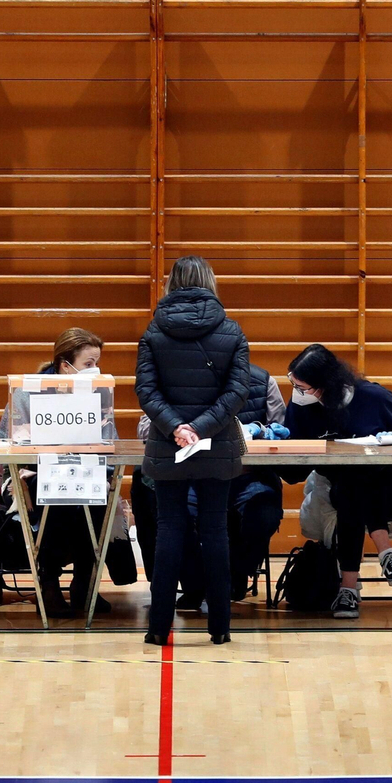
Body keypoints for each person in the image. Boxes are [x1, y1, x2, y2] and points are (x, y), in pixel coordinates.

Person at [135, 256, 253, 645]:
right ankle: (219, 628)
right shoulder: (232, 332)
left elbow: (146, 392)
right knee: (216, 532)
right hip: (216, 445)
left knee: (168, 531)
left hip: (167, 446)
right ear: (210, 282)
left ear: (171, 284)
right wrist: (200, 429)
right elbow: (237, 393)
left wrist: (176, 428)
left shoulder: (154, 332)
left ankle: (157, 629)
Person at [0, 327, 125, 617]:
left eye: (97, 363)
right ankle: (49, 581)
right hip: (33, 476)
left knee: (94, 495)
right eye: (88, 364)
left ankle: (84, 582)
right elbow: (12, 445)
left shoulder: (101, 393)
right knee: (58, 494)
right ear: (65, 365)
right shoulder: (28, 392)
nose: (95, 370)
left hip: (83, 473)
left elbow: (109, 442)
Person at [284, 343, 392, 619]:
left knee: (355, 487)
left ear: (325, 384)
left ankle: (348, 591)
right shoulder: (302, 407)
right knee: (352, 486)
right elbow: (294, 465)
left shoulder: (372, 396)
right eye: (295, 385)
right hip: (348, 488)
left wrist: (383, 442)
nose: (298, 393)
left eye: (303, 387)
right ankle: (386, 555)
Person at [132, 367, 284, 606]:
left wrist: (260, 431)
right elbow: (144, 427)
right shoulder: (176, 378)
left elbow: (282, 431)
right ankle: (196, 583)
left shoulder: (264, 381)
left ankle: (234, 576)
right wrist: (174, 428)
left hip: (248, 475)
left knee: (264, 514)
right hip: (193, 474)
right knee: (177, 518)